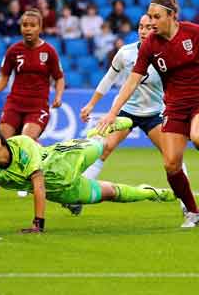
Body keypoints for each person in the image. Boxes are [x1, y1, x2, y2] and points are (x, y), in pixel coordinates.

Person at [96, 0, 199, 228]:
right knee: (171, 164)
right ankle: (194, 213)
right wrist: (112, 112)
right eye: (149, 16)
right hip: (174, 105)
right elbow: (131, 82)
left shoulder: (193, 32)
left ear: (171, 16)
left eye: (156, 17)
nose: (151, 22)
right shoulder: (150, 44)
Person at [0, 112, 175, 233]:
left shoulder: (23, 144)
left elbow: (37, 185)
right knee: (114, 193)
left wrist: (38, 224)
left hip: (68, 158)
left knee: (100, 144)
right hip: (62, 190)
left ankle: (102, 128)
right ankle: (159, 194)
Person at [78, 14, 190, 216]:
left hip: (154, 113)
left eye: (148, 27)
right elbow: (108, 79)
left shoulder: (166, 53)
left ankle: (186, 203)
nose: (143, 30)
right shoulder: (125, 53)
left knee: (173, 156)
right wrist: (91, 104)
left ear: (156, 29)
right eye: (140, 27)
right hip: (125, 110)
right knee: (103, 149)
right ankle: (79, 198)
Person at [0, 8, 65, 201]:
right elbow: (4, 75)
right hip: (15, 103)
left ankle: (25, 183)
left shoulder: (49, 52)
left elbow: (59, 78)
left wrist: (58, 96)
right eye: (24, 25)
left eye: (32, 25)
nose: (28, 29)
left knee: (26, 142)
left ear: (40, 28)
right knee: (1, 142)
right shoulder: (14, 50)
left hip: (37, 106)